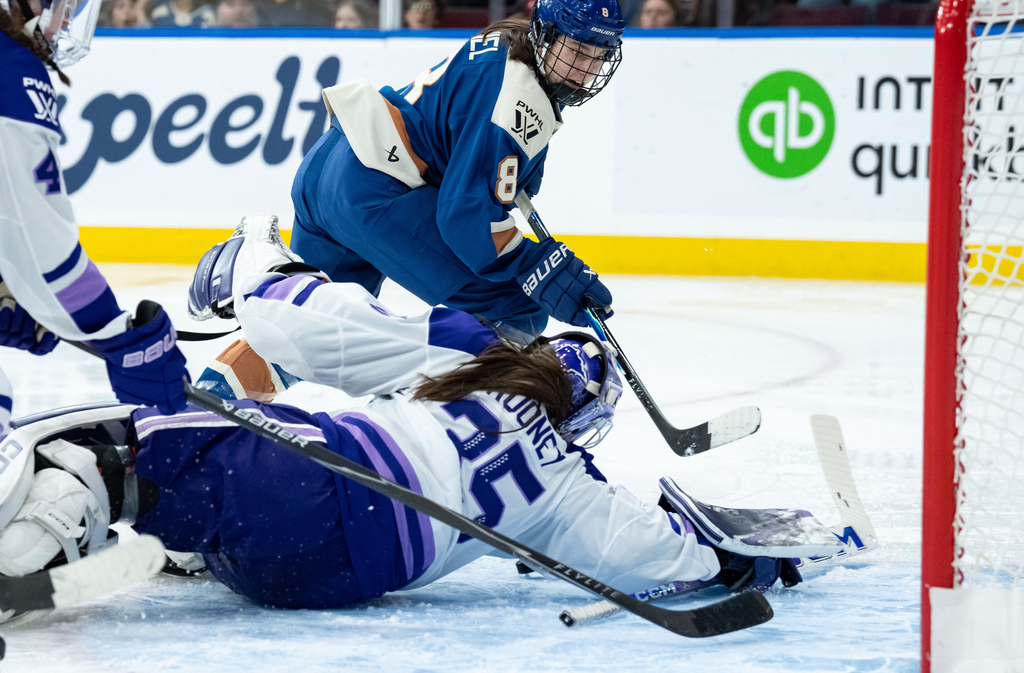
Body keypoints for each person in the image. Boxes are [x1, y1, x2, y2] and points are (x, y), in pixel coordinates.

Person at [0, 217, 804, 609]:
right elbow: (661, 556)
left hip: (318, 490)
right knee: (211, 487)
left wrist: (259, 272)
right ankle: (183, 539)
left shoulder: (480, 356)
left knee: (116, 445)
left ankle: (27, 550)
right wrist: (750, 561)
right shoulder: (570, 488)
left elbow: (341, 331)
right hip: (325, 581)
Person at [288, 0, 620, 343]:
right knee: (518, 305)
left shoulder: (506, 42)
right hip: (372, 188)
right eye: (577, 49)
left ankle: (219, 394)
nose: (587, 67)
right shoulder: (520, 103)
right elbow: (464, 216)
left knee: (303, 327)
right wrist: (534, 265)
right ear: (545, 34)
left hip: (330, 163)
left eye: (599, 54)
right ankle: (461, 401)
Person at [0, 0, 190, 438]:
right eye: (66, 0)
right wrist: (118, 335)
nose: (68, 21)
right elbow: (43, 248)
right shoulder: (11, 70)